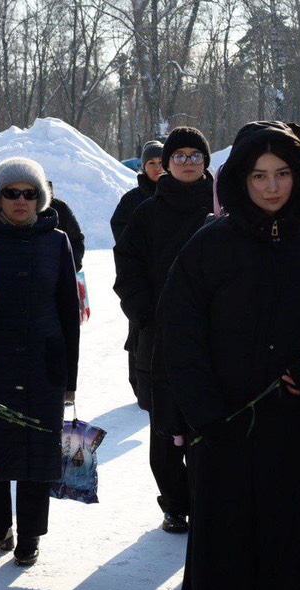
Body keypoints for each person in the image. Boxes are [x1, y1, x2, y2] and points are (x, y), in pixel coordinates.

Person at [160, 121, 300, 590]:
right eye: (258, 175)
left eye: (281, 174)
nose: (271, 187)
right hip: (221, 428)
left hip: (293, 429)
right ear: (240, 182)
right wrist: (206, 414)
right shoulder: (210, 246)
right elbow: (179, 336)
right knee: (223, 545)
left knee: (286, 543)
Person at [0, 158, 79, 567]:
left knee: (37, 451)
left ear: (40, 198)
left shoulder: (57, 241)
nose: (20, 200)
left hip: (43, 363)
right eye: (11, 193)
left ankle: (30, 534)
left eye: (29, 193)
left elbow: (69, 311)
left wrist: (70, 377)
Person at [113, 127, 212, 535]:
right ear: (166, 163)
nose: (188, 162)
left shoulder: (225, 206)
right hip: (160, 334)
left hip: (217, 336)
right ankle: (174, 503)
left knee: (209, 421)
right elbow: (128, 269)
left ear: (206, 162)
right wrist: (147, 315)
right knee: (165, 425)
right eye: (180, 155)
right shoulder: (147, 212)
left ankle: (210, 497)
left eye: (195, 155)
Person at [111, 141, 165, 405]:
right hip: (142, 280)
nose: (157, 168)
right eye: (151, 163)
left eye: (161, 162)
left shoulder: (177, 192)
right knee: (138, 333)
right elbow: (120, 232)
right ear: (144, 167)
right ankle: (139, 383)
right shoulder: (132, 199)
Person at [45, 183, 85, 272]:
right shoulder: (13, 205)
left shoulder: (59, 207)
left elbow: (76, 239)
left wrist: (72, 267)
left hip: (60, 276)